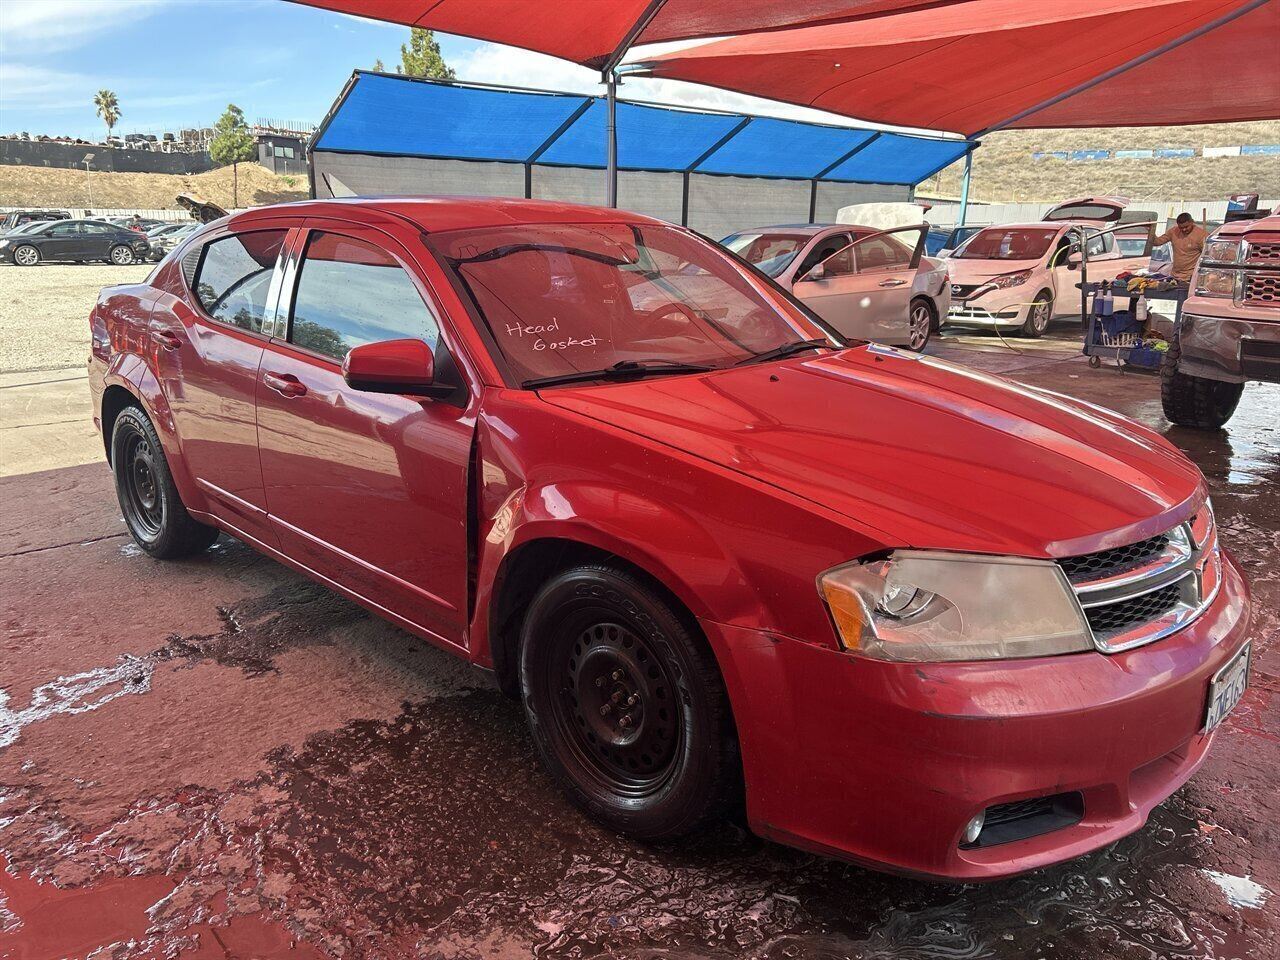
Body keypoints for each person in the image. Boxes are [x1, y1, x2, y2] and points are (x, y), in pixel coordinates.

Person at [1152, 213, 1208, 282]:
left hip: (1191, 277)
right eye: (1181, 228)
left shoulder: (1201, 235)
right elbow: (1157, 242)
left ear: (1192, 222)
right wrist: (1151, 230)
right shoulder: (1173, 231)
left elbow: (1207, 255)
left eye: (1186, 227)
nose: (1184, 230)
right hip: (1174, 275)